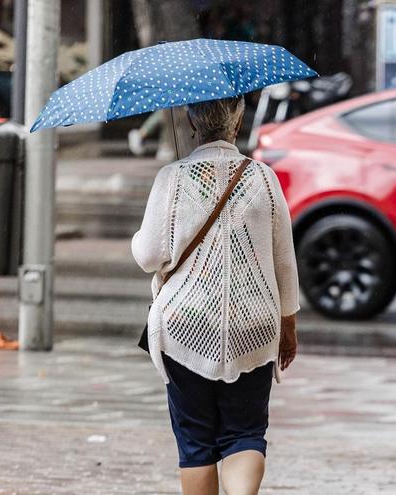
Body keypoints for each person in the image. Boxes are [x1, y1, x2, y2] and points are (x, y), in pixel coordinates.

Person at [131, 95, 300, 495]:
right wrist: (287, 324)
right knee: (245, 432)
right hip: (254, 324)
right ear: (237, 123)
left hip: (184, 326)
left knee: (196, 441)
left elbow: (149, 256)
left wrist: (142, 237)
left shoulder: (171, 178)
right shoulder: (263, 177)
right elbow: (284, 260)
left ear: (191, 125)